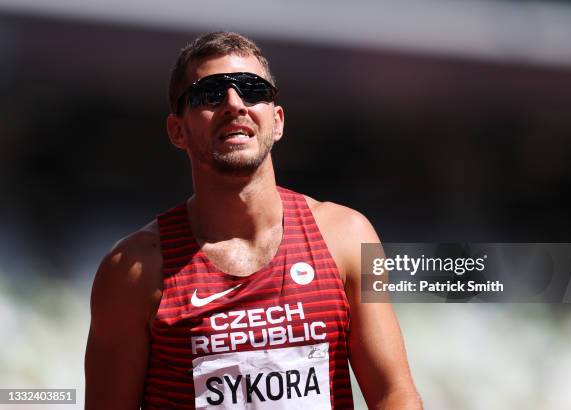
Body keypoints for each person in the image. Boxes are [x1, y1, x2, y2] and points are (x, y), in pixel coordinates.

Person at [85, 31, 422, 410]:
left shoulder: (348, 237)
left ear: (276, 121)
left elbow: (395, 393)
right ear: (177, 130)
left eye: (251, 89)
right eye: (209, 94)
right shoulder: (132, 272)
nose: (234, 103)